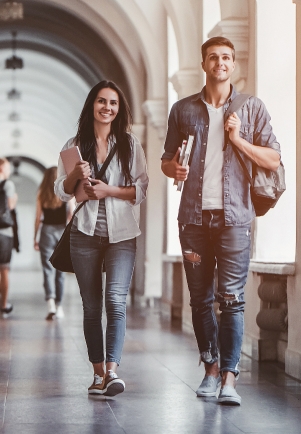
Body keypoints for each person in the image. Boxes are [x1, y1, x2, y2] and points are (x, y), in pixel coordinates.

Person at [161, 36, 281, 405]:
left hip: (235, 219)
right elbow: (166, 160)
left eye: (226, 57)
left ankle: (230, 378)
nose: (221, 62)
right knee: (200, 299)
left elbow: (273, 160)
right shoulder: (183, 110)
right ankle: (210, 370)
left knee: (231, 300)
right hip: (193, 220)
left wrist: (238, 139)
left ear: (233, 64)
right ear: (204, 64)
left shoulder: (251, 108)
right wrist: (173, 168)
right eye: (214, 57)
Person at [54, 80, 148, 397]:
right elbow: (61, 193)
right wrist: (74, 175)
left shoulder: (131, 145)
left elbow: (141, 190)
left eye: (113, 103)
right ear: (92, 105)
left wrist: (109, 190)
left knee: (115, 301)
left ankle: (112, 372)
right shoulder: (74, 144)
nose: (107, 107)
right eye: (101, 101)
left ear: (119, 110)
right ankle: (97, 374)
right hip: (85, 233)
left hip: (122, 234)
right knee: (92, 306)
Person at [34, 166, 73, 320]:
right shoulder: (65, 194)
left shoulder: (41, 194)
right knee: (60, 271)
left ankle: (50, 301)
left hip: (46, 233)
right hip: (62, 233)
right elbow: (72, 214)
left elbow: (38, 218)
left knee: (47, 269)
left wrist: (34, 238)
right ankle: (59, 306)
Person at [0, 158, 18, 316]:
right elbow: (11, 206)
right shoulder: (8, 184)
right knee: (4, 269)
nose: (9, 171)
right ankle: (4, 305)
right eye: (7, 168)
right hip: (4, 232)